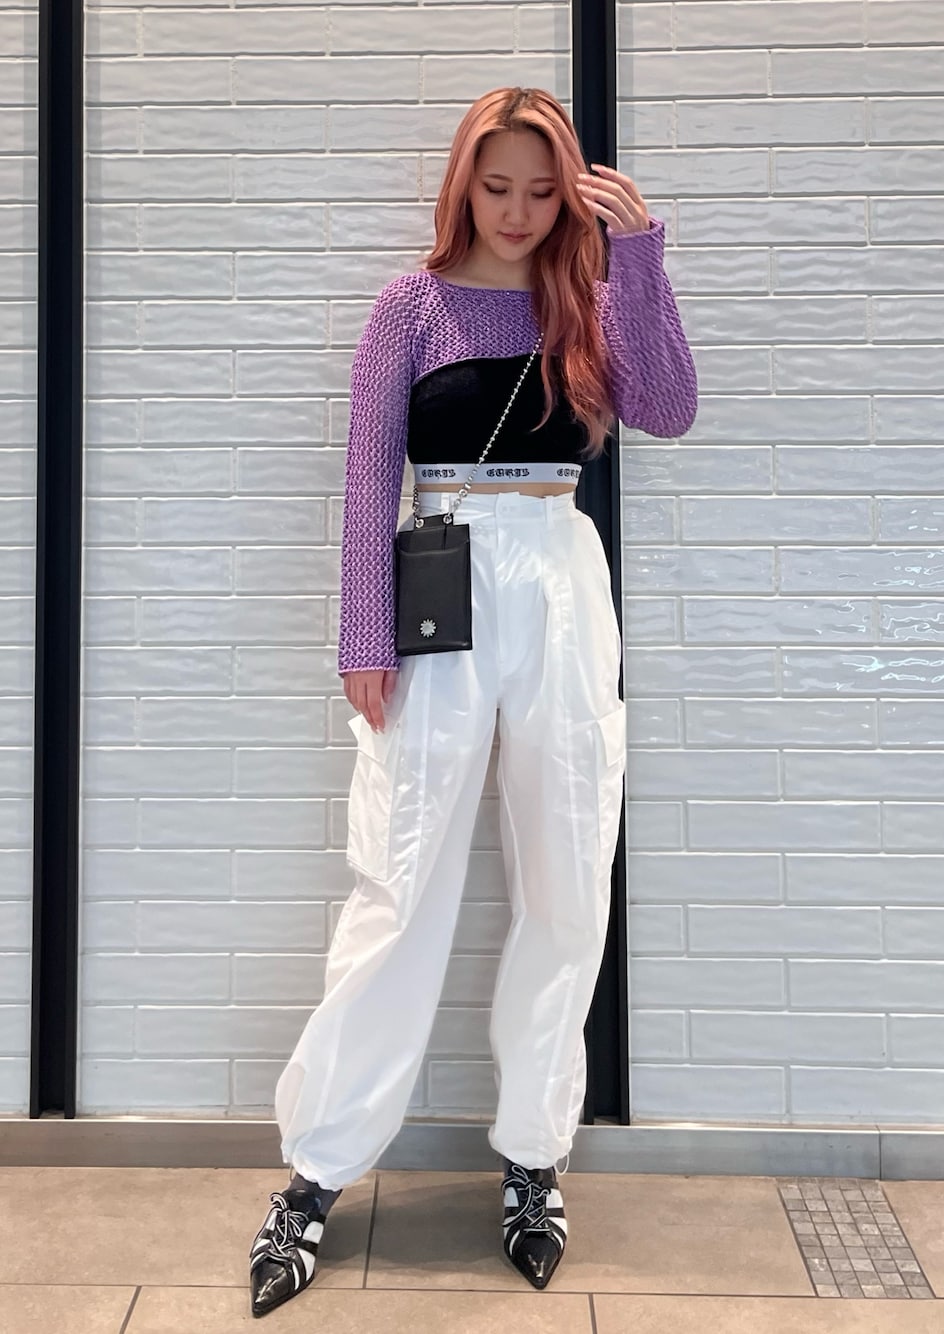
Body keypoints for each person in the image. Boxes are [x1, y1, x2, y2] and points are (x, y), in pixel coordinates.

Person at [248, 85, 697, 1317]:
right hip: (437, 575)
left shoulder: (586, 300)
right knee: (399, 876)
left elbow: (666, 408)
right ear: (462, 183)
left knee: (567, 872)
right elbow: (365, 475)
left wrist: (638, 257)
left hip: (559, 573)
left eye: (542, 190)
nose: (517, 210)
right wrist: (363, 632)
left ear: (571, 194)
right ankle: (316, 1168)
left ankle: (534, 1158)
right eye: (496, 186)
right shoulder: (411, 305)